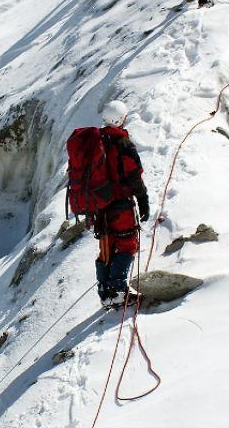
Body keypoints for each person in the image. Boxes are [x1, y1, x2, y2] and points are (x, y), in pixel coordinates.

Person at [85, 101, 150, 309]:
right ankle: (118, 291)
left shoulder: (94, 142)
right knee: (127, 244)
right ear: (121, 120)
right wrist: (143, 200)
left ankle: (105, 293)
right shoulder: (122, 143)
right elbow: (134, 176)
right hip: (121, 205)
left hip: (99, 208)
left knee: (106, 248)